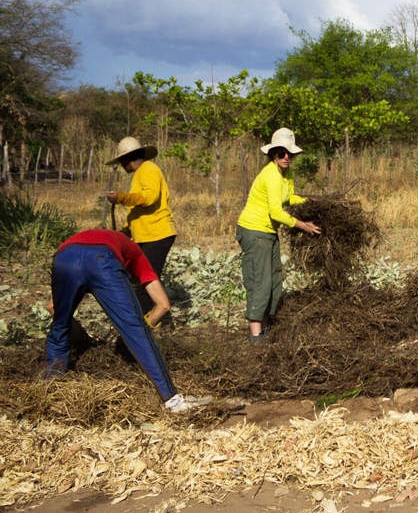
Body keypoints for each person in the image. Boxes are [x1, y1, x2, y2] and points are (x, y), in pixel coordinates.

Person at [44, 228, 200, 412]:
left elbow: (52, 307)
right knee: (136, 330)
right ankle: (172, 400)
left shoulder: (82, 238)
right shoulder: (134, 251)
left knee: (59, 326)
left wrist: (81, 338)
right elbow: (163, 305)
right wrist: (137, 331)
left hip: (64, 258)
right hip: (101, 260)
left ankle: (50, 395)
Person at [235, 128, 321, 343]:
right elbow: (276, 212)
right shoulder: (271, 176)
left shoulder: (286, 174)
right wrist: (303, 225)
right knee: (260, 281)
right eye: (281, 153)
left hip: (269, 232)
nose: (286, 157)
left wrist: (312, 202)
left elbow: (289, 198)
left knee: (274, 280)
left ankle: (264, 328)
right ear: (273, 153)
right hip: (254, 231)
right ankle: (256, 335)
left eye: (289, 154)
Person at [104, 136, 176, 312]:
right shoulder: (140, 174)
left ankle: (147, 319)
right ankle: (149, 317)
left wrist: (121, 198)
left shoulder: (148, 169)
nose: (122, 166)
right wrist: (125, 232)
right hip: (147, 236)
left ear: (128, 159)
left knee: (147, 281)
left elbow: (149, 198)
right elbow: (139, 211)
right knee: (140, 278)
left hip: (157, 235)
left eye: (122, 161)